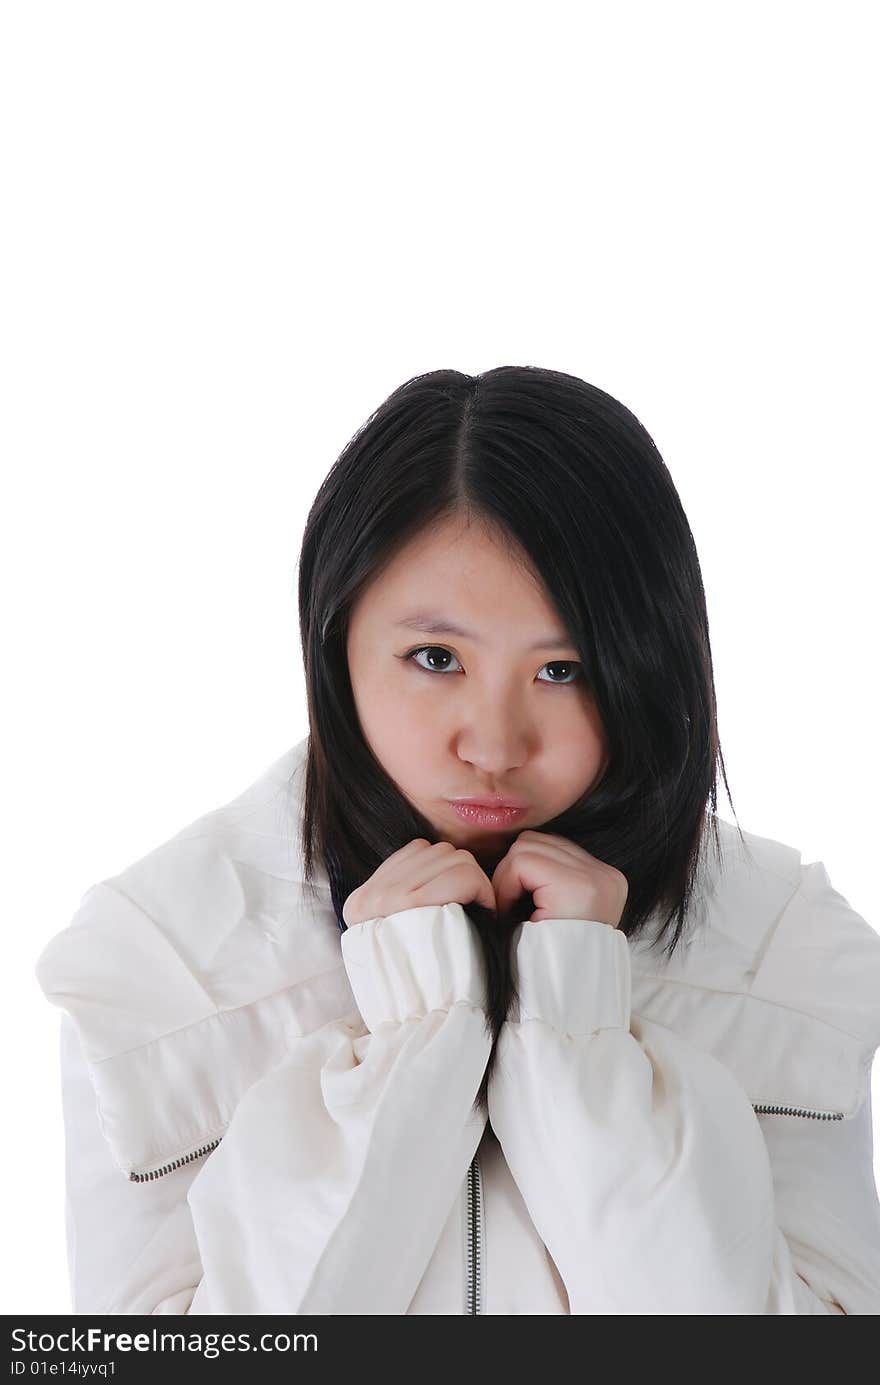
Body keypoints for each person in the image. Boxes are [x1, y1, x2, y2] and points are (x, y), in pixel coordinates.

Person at [35, 366, 880, 1314]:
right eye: (436, 659)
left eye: (563, 669)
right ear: (334, 642)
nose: (495, 744)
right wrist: (409, 1048)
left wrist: (576, 1038)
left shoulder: (778, 949)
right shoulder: (163, 965)